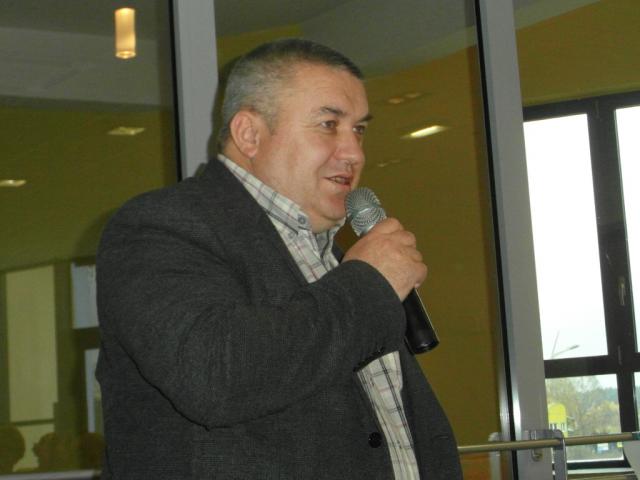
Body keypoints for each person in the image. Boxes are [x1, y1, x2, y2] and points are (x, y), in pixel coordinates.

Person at [96, 38, 462, 479]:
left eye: (359, 130)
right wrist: (370, 284)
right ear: (249, 134)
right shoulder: (159, 227)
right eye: (329, 124)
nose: (355, 153)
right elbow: (215, 377)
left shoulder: (337, 259)